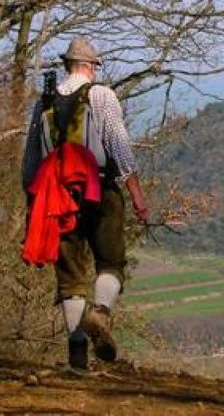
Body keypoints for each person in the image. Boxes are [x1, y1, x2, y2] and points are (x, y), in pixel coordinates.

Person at [21, 37, 149, 369]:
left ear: (67, 65)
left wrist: (33, 206)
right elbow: (119, 146)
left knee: (70, 277)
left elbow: (30, 162)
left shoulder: (44, 104)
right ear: (91, 67)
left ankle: (77, 356)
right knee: (111, 262)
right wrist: (136, 194)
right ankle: (101, 314)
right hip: (99, 189)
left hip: (57, 198)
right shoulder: (101, 95)